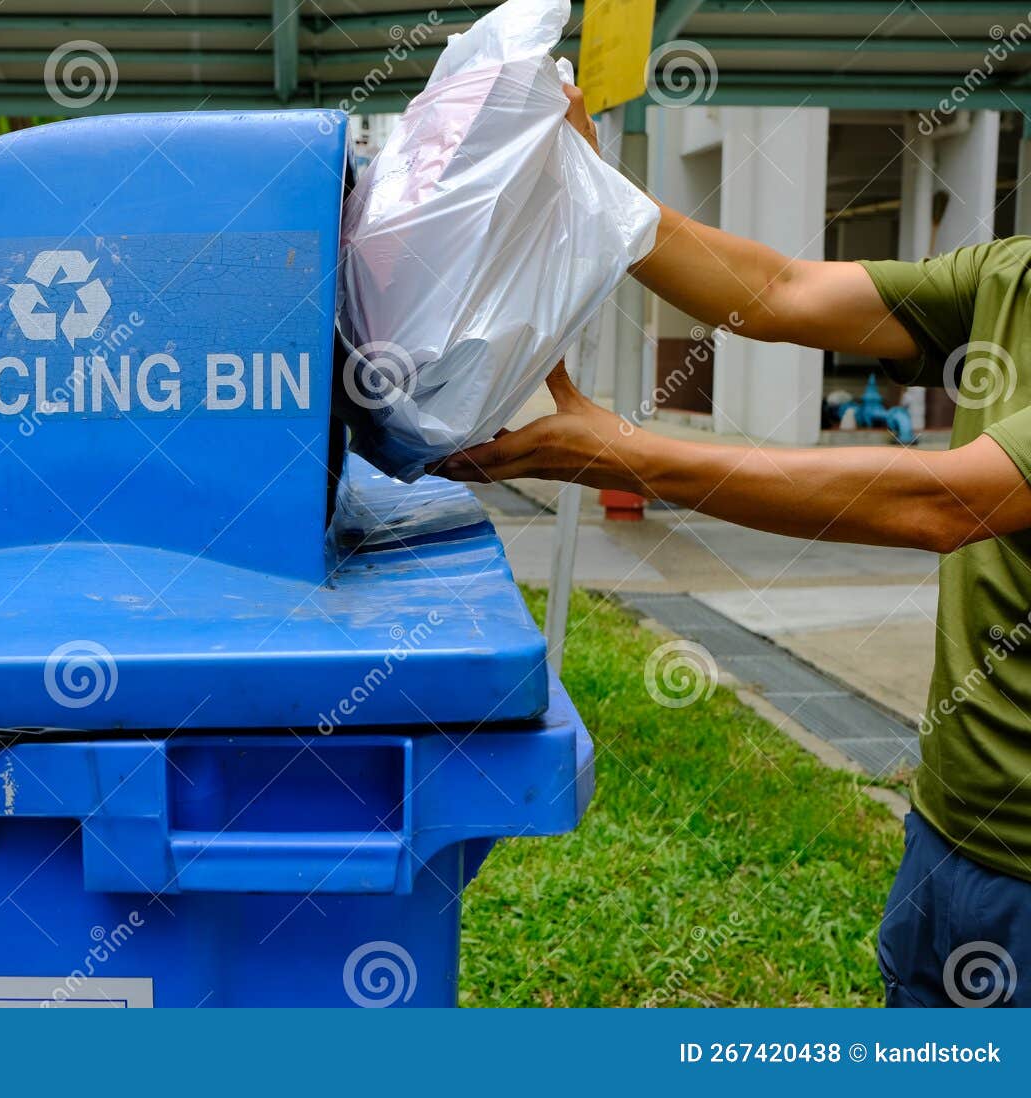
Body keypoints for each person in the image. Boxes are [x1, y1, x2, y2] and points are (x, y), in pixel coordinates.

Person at [437, 86, 1031, 1008]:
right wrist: (587, 184)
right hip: (951, 826)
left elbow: (944, 503)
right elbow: (777, 292)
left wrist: (617, 455)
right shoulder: (1014, 275)